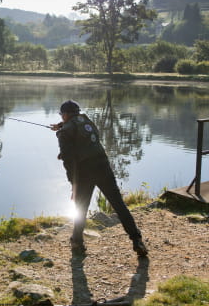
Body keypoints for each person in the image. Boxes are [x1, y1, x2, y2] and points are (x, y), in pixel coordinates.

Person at [51, 99, 148, 257]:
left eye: (62, 115)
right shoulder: (87, 120)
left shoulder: (64, 132)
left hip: (85, 172)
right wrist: (63, 125)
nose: (61, 117)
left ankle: (77, 242)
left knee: (81, 207)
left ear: (66, 114)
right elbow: (80, 130)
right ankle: (137, 240)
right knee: (119, 205)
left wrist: (73, 185)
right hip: (103, 167)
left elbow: (69, 162)